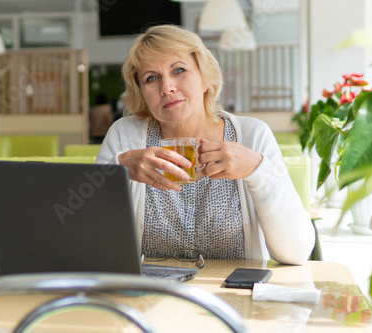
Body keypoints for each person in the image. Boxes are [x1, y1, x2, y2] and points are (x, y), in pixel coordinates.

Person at [96, 25, 315, 265]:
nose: (166, 87)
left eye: (179, 70)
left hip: (233, 297)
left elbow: (297, 252)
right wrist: (116, 172)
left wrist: (257, 170)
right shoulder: (125, 136)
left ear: (205, 78)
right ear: (142, 92)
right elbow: (91, 242)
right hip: (152, 296)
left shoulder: (252, 135)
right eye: (152, 78)